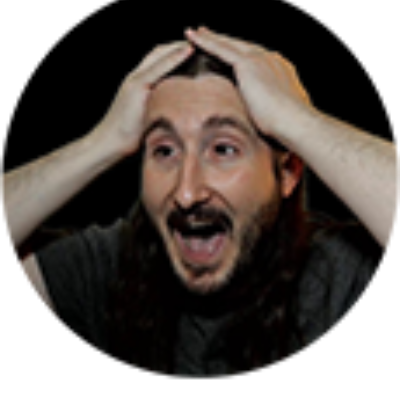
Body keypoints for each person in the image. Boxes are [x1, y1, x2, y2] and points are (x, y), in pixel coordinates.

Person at [1, 27, 396, 379]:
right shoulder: (106, 269)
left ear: (289, 173)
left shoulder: (344, 276)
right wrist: (103, 142)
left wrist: (296, 120)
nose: (186, 192)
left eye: (223, 149)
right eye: (165, 150)